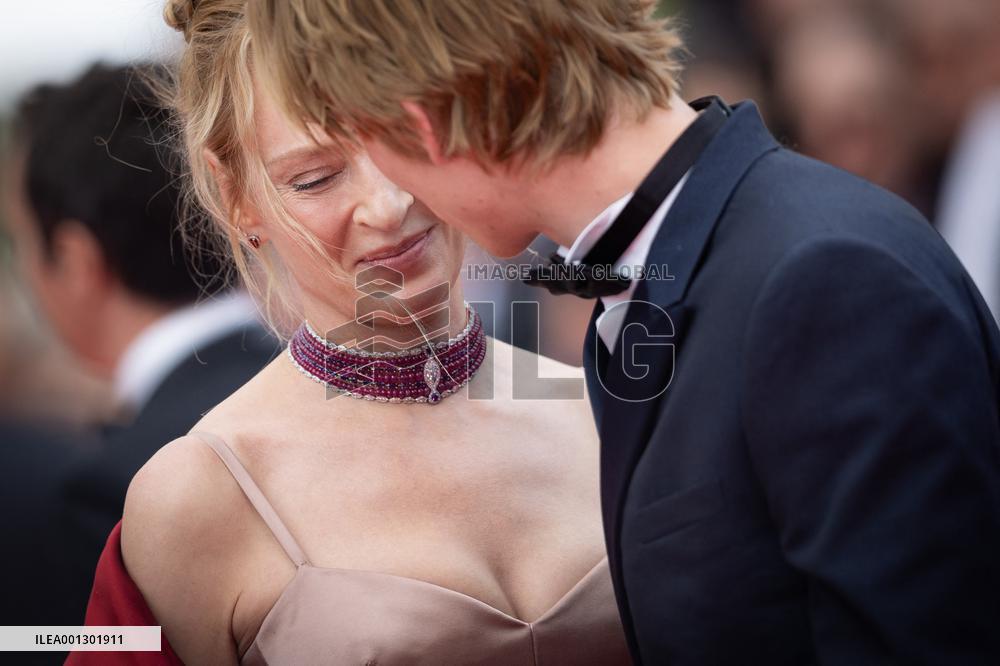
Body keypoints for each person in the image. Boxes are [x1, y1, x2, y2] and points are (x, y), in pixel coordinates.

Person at [247, 1, 1000, 664]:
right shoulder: (671, 280)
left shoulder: (824, 281)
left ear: (424, 126)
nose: (389, 201)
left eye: (371, 147)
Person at [72, 2, 629, 664]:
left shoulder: (610, 409)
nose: (388, 205)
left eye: (406, 142)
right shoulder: (202, 495)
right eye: (317, 177)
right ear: (237, 197)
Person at [2, 63, 279, 628]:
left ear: (77, 260)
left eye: (22, 241)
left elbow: (76, 651)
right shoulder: (347, 386)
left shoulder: (119, 489)